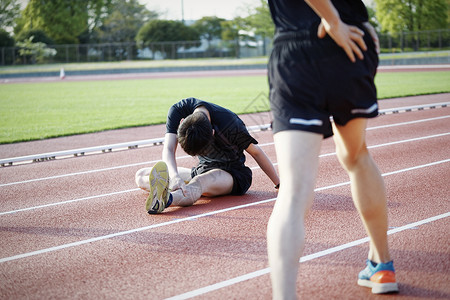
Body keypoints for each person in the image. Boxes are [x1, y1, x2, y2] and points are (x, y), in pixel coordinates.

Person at [266, 0, 398, 298]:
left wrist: (333, 19)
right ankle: (382, 266)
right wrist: (353, 19)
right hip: (350, 46)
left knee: (295, 190)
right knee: (357, 155)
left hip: (300, 48)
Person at [135, 97, 280, 214]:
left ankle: (167, 199)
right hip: (203, 168)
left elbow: (256, 152)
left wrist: (279, 184)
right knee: (141, 175)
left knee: (199, 182)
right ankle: (172, 188)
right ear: (182, 124)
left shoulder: (231, 125)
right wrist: (174, 177)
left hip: (232, 174)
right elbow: (168, 149)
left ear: (212, 132)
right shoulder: (178, 111)